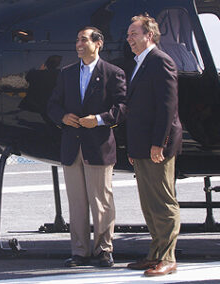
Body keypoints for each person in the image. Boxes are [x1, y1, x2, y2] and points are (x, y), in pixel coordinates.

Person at [48, 27, 126, 267]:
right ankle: (80, 251)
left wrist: (100, 119)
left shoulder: (113, 73)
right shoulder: (66, 73)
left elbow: (122, 107)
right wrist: (62, 117)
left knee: (101, 200)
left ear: (98, 43)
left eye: (83, 40)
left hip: (98, 146)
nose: (78, 44)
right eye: (77, 40)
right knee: (77, 202)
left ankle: (103, 249)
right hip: (72, 147)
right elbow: (52, 104)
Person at [125, 14, 182, 277]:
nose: (129, 39)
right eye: (128, 35)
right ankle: (155, 254)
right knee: (149, 203)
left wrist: (159, 143)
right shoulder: (140, 63)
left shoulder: (161, 61)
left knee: (163, 202)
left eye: (133, 34)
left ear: (149, 35)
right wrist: (135, 148)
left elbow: (167, 106)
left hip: (156, 146)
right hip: (143, 146)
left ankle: (168, 258)